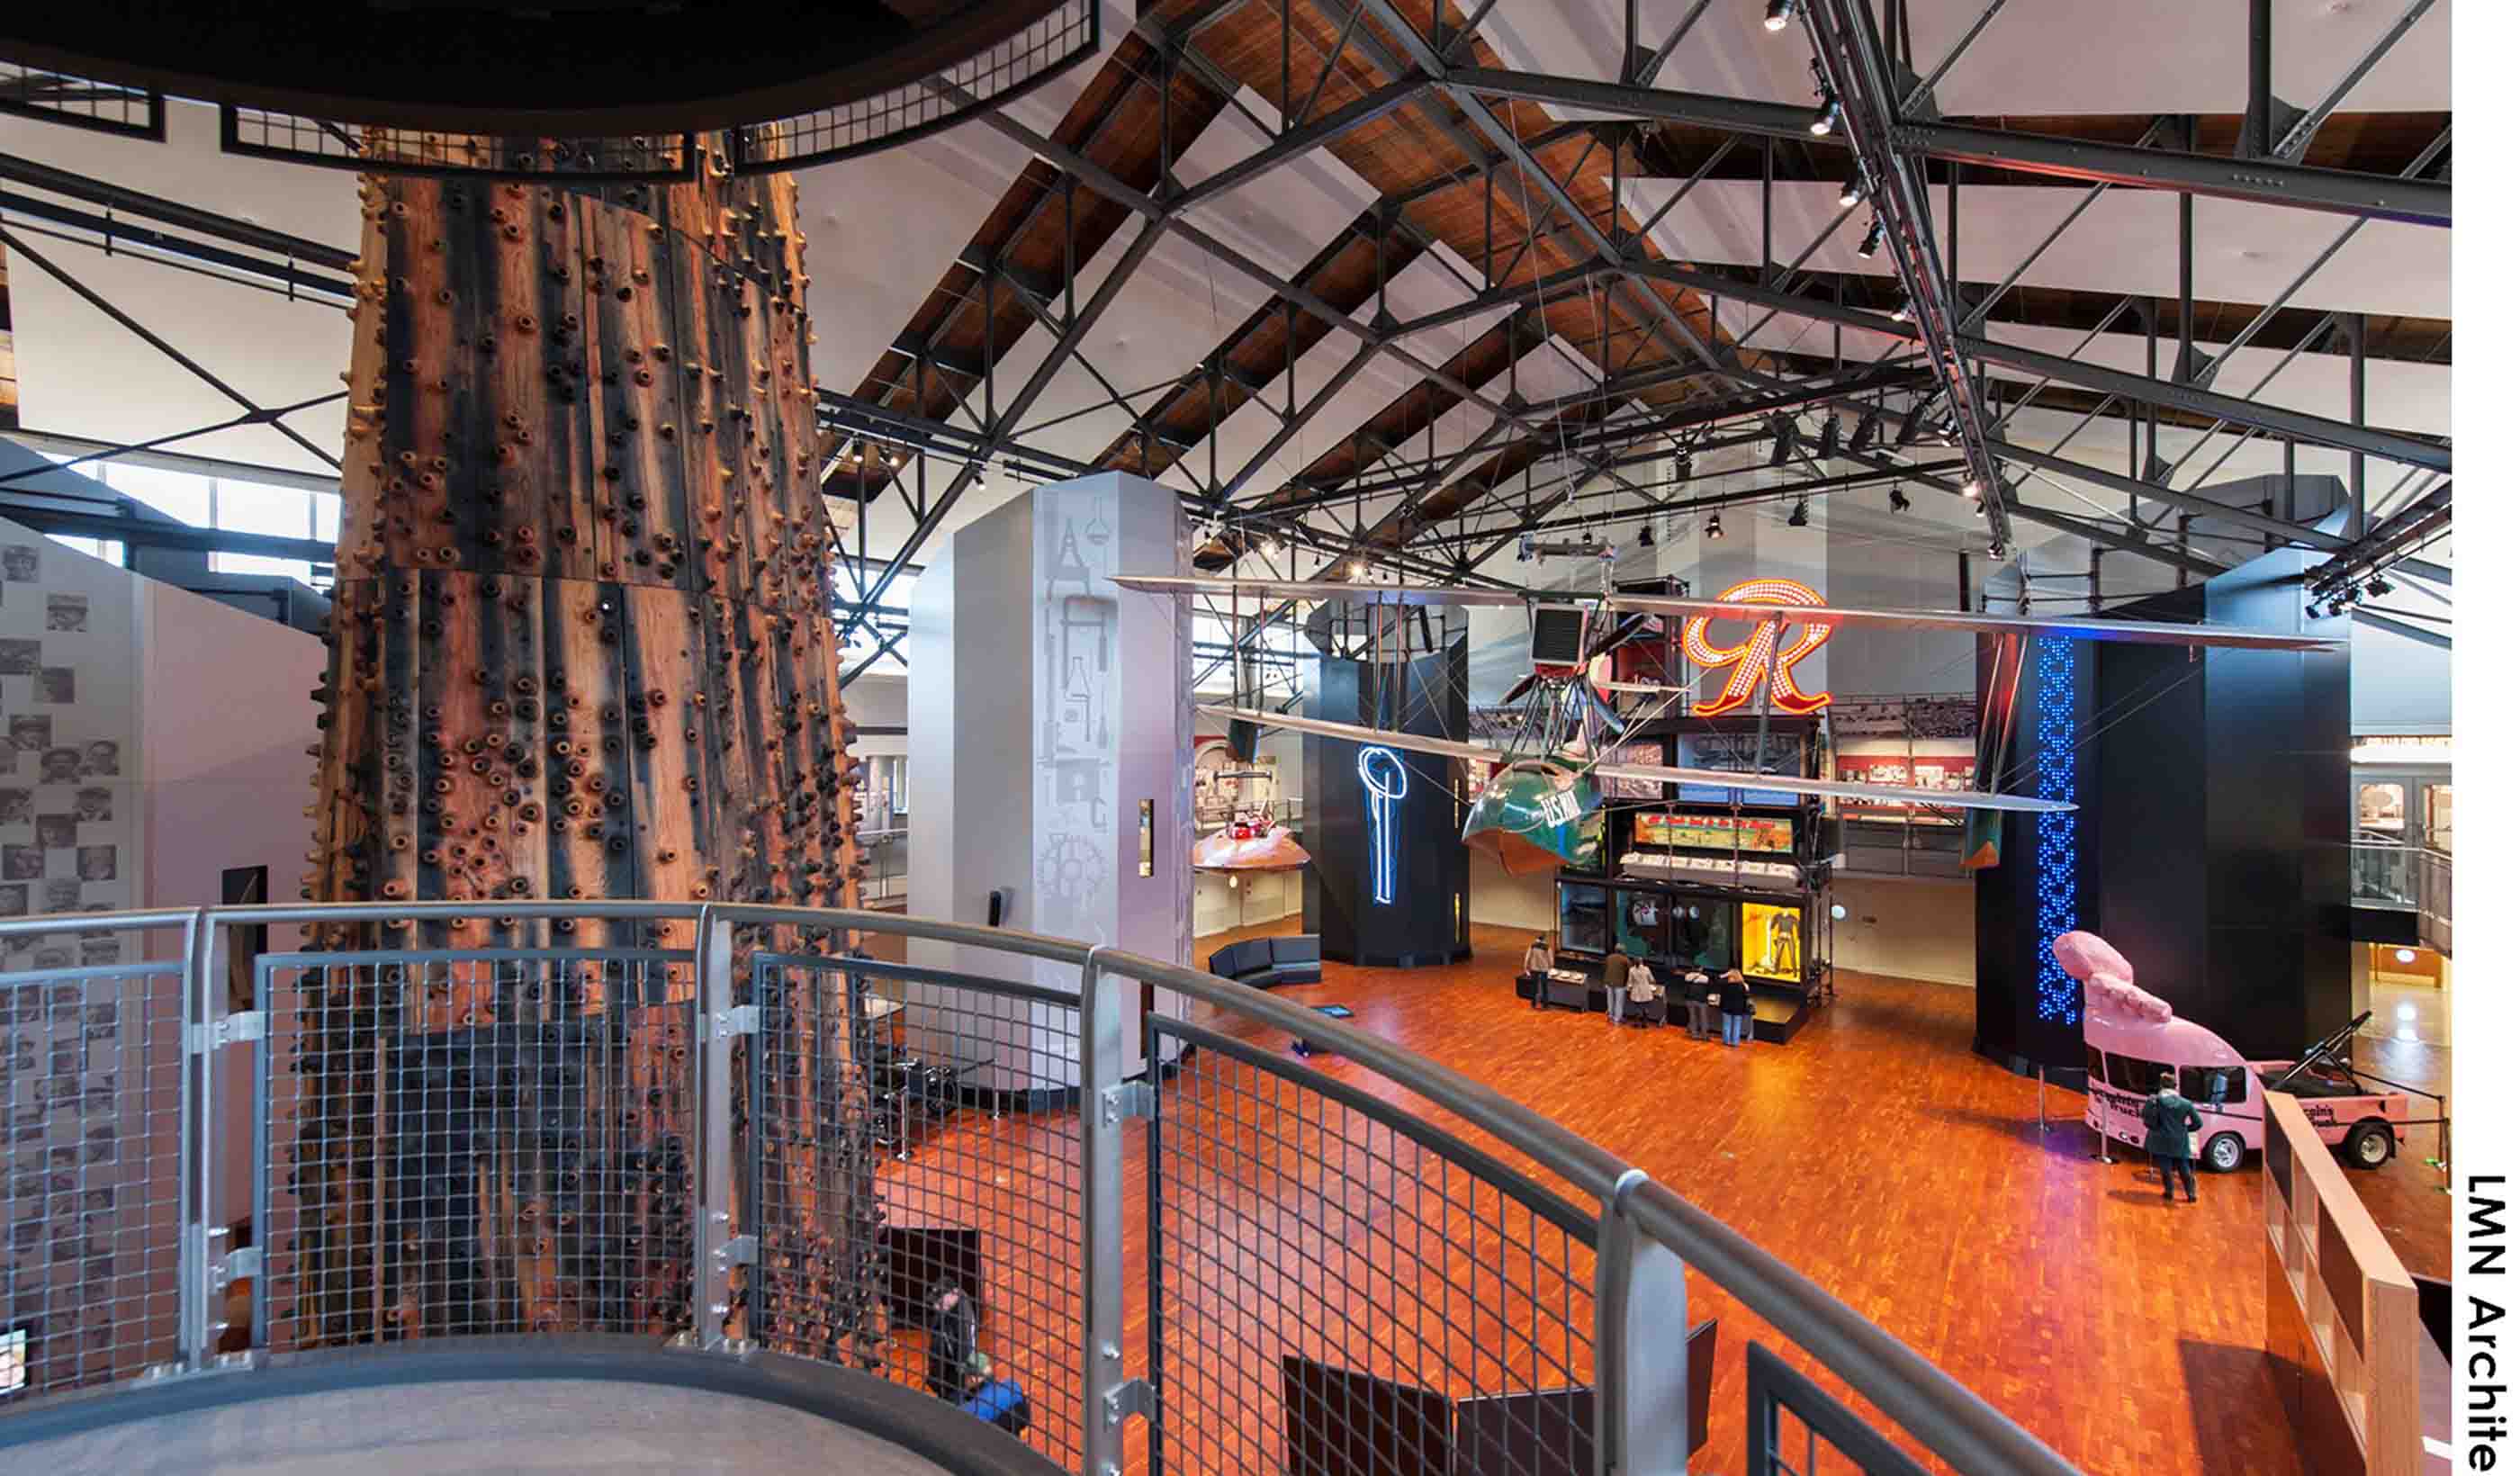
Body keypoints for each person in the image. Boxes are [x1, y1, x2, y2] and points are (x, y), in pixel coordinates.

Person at [2141, 1071, 2201, 1203]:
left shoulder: (2155, 1100)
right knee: (2183, 1166)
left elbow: (2144, 1115)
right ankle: (2191, 1194)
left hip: (2160, 1138)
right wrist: (2185, 1130)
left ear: (2161, 1086)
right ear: (2175, 1086)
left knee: (2165, 1168)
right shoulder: (2186, 1103)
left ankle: (2169, 1192)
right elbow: (2198, 1123)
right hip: (2180, 1140)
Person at [961, 1352, 1031, 1436]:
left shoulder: (969, 1411)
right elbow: (1026, 1418)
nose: (963, 1380)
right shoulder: (1013, 1386)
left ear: (973, 1379)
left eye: (965, 1376)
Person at [1623, 955, 1662, 1026]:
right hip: (1646, 991)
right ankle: (1645, 1023)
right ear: (1642, 962)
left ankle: (1636, 1023)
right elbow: (1652, 980)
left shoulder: (1631, 970)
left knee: (1637, 1007)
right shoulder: (1646, 969)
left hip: (1636, 992)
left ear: (1634, 962)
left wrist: (1628, 989)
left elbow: (1630, 982)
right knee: (1645, 1007)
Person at [1717, 968, 1752, 1048]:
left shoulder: (1726, 985)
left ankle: (1726, 1041)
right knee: (1737, 1026)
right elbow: (1746, 998)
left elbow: (1717, 980)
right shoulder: (1743, 986)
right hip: (1738, 1009)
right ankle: (1735, 1042)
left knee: (1726, 1025)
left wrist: (1724, 975)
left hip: (1727, 1008)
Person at [1680, 969, 1717, 1041]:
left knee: (1692, 1017)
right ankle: (1704, 1035)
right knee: (1703, 1018)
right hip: (1701, 1000)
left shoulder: (1688, 976)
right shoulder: (1705, 978)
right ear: (1700, 969)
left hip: (1690, 999)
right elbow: (1709, 987)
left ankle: (1694, 1034)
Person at [1521, 935, 1553, 1010]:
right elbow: (1551, 959)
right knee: (1544, 987)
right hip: (1544, 969)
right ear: (1544, 940)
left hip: (1534, 968)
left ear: (1537, 939)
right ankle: (1545, 1005)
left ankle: (1533, 1003)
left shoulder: (1532, 946)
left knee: (1534, 987)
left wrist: (1525, 967)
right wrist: (1550, 967)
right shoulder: (1547, 947)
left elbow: (1527, 957)